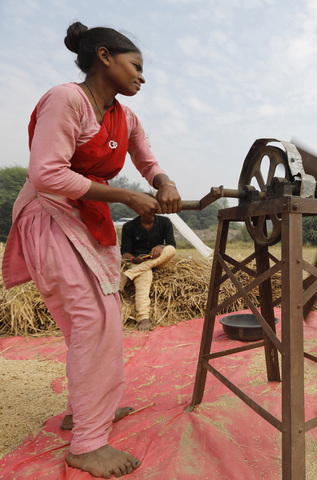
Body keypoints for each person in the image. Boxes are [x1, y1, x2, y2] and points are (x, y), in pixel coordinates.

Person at [1, 22, 181, 477]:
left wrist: (163, 182)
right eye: (136, 66)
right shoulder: (67, 100)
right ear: (105, 57)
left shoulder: (126, 118)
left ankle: (86, 413)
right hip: (50, 217)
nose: (143, 76)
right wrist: (125, 196)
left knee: (101, 321)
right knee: (91, 321)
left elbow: (147, 160)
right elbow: (46, 174)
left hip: (85, 220)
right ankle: (86, 443)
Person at [120, 213, 177, 331]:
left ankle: (127, 275)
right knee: (145, 276)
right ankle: (143, 317)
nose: (148, 211)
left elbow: (171, 244)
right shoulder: (128, 226)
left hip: (158, 260)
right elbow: (125, 252)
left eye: (151, 208)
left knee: (170, 249)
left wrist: (161, 246)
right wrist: (134, 259)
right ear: (138, 210)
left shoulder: (165, 222)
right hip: (138, 262)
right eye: (144, 208)